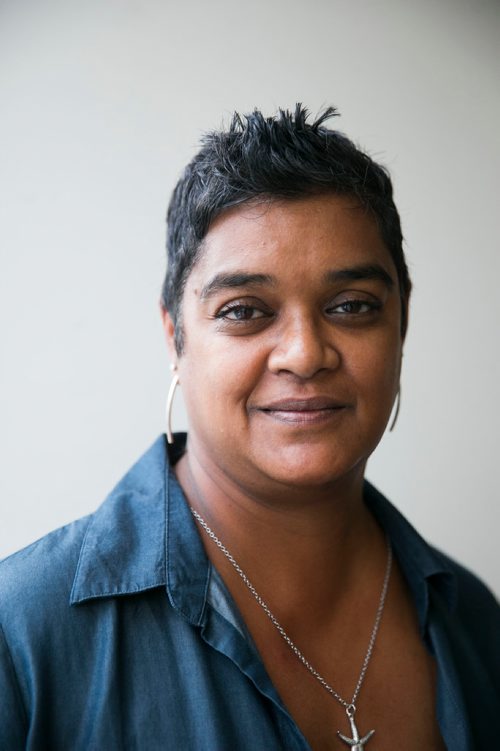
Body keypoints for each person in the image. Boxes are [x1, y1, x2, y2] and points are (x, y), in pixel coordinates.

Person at [1, 105, 498, 751]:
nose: (304, 352)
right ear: (175, 337)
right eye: (244, 311)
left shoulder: (476, 624)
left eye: (352, 306)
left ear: (400, 327)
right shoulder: (23, 635)